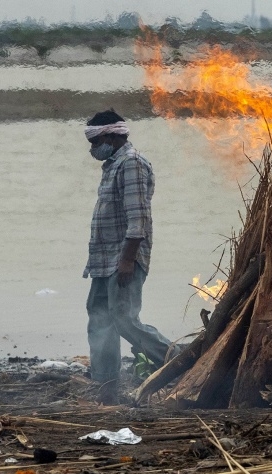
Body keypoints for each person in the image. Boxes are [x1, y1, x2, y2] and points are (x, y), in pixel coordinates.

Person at [82, 110, 172, 405]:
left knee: (124, 321)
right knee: (99, 319)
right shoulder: (113, 165)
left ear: (111, 136)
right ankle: (107, 387)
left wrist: (127, 260)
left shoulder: (131, 164)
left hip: (122, 259)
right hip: (103, 260)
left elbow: (138, 219)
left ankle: (179, 361)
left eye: (96, 140)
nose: (93, 148)